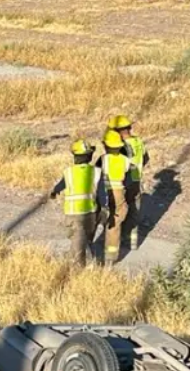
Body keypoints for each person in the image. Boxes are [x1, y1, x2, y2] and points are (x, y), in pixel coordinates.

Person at [49, 139, 99, 266]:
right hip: (91, 212)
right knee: (86, 237)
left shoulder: (69, 172)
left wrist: (54, 192)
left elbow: (60, 185)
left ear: (75, 157)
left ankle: (80, 265)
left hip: (73, 212)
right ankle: (84, 256)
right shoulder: (96, 171)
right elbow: (102, 191)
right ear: (90, 156)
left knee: (77, 237)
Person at [108, 114, 147, 247]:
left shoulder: (122, 146)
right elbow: (146, 158)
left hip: (124, 180)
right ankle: (133, 241)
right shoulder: (138, 141)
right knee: (134, 209)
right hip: (136, 179)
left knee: (119, 211)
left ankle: (117, 240)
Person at [97, 129, 133, 266]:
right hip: (119, 192)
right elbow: (128, 178)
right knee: (115, 223)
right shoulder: (125, 160)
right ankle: (110, 257)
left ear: (105, 146)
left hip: (103, 191)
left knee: (98, 218)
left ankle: (90, 248)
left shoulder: (102, 159)